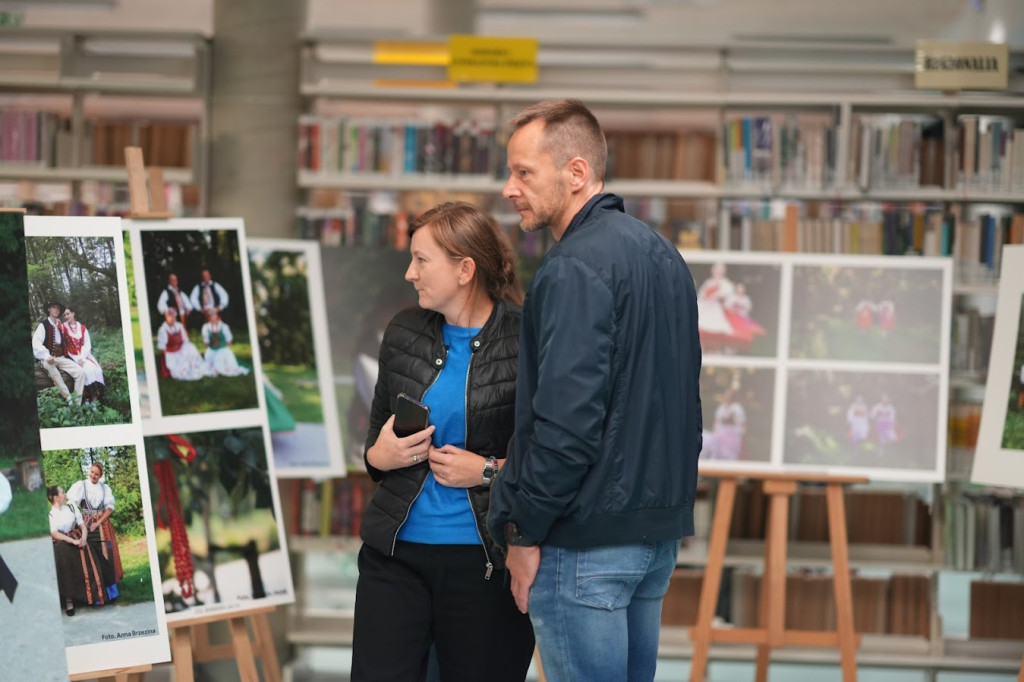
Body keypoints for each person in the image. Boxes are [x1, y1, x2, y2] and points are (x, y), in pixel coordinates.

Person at [487, 98, 702, 682]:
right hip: (653, 536)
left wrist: (525, 530)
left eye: (523, 173)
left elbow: (565, 423)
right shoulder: (664, 257)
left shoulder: (573, 267)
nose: (509, 189)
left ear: (576, 173)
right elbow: (683, 403)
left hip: (584, 543)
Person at [351, 201, 535, 682]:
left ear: (465, 270)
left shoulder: (527, 338)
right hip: (393, 559)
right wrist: (382, 455)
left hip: (486, 562)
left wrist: (488, 470)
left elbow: (550, 455)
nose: (410, 273)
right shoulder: (403, 332)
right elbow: (373, 446)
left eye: (422, 260)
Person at [47, 485, 114, 615]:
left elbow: (82, 525)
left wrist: (83, 538)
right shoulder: (51, 515)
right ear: (56, 497)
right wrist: (72, 541)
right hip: (63, 542)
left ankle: (95, 595)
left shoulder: (71, 508)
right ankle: (69, 600)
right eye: (62, 492)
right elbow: (54, 533)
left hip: (79, 538)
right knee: (62, 554)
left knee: (88, 553)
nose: (65, 494)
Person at [66, 463, 121, 603]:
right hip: (86, 524)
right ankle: (95, 593)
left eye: (96, 474)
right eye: (91, 472)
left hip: (102, 525)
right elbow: (72, 504)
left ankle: (110, 592)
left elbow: (109, 509)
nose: (93, 476)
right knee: (90, 558)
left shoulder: (105, 488)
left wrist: (98, 522)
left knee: (106, 554)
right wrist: (81, 521)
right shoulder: (81, 485)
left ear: (100, 475)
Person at [32, 300, 85, 404]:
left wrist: (76, 357)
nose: (56, 309)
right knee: (51, 368)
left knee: (80, 372)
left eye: (58, 308)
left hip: (61, 358)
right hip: (48, 358)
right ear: (49, 309)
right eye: (53, 307)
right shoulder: (43, 325)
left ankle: (77, 404)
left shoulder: (60, 326)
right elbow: (36, 343)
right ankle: (69, 398)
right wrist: (46, 356)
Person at [61, 306, 105, 403]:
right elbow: (64, 345)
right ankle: (86, 399)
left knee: (96, 370)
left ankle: (94, 400)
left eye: (68, 314)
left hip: (84, 355)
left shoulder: (82, 328)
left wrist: (82, 358)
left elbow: (87, 344)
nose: (66, 316)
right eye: (64, 315)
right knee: (85, 371)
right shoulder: (63, 328)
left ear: (73, 313)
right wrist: (77, 359)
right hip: (72, 356)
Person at [156, 307, 211, 380]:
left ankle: (195, 366)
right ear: (166, 317)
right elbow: (162, 347)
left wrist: (184, 349)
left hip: (180, 349)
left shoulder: (179, 326)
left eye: (174, 317)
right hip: (171, 352)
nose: (172, 318)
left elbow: (185, 340)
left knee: (191, 348)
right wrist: (167, 355)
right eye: (170, 317)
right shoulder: (163, 329)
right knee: (178, 368)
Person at [200, 309, 250, 376]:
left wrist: (225, 350)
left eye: (214, 317)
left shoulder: (224, 326)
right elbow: (206, 342)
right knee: (209, 365)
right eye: (210, 317)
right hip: (212, 350)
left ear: (218, 318)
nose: (212, 319)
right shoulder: (206, 327)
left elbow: (229, 340)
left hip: (222, 349)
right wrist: (211, 346)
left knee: (222, 361)